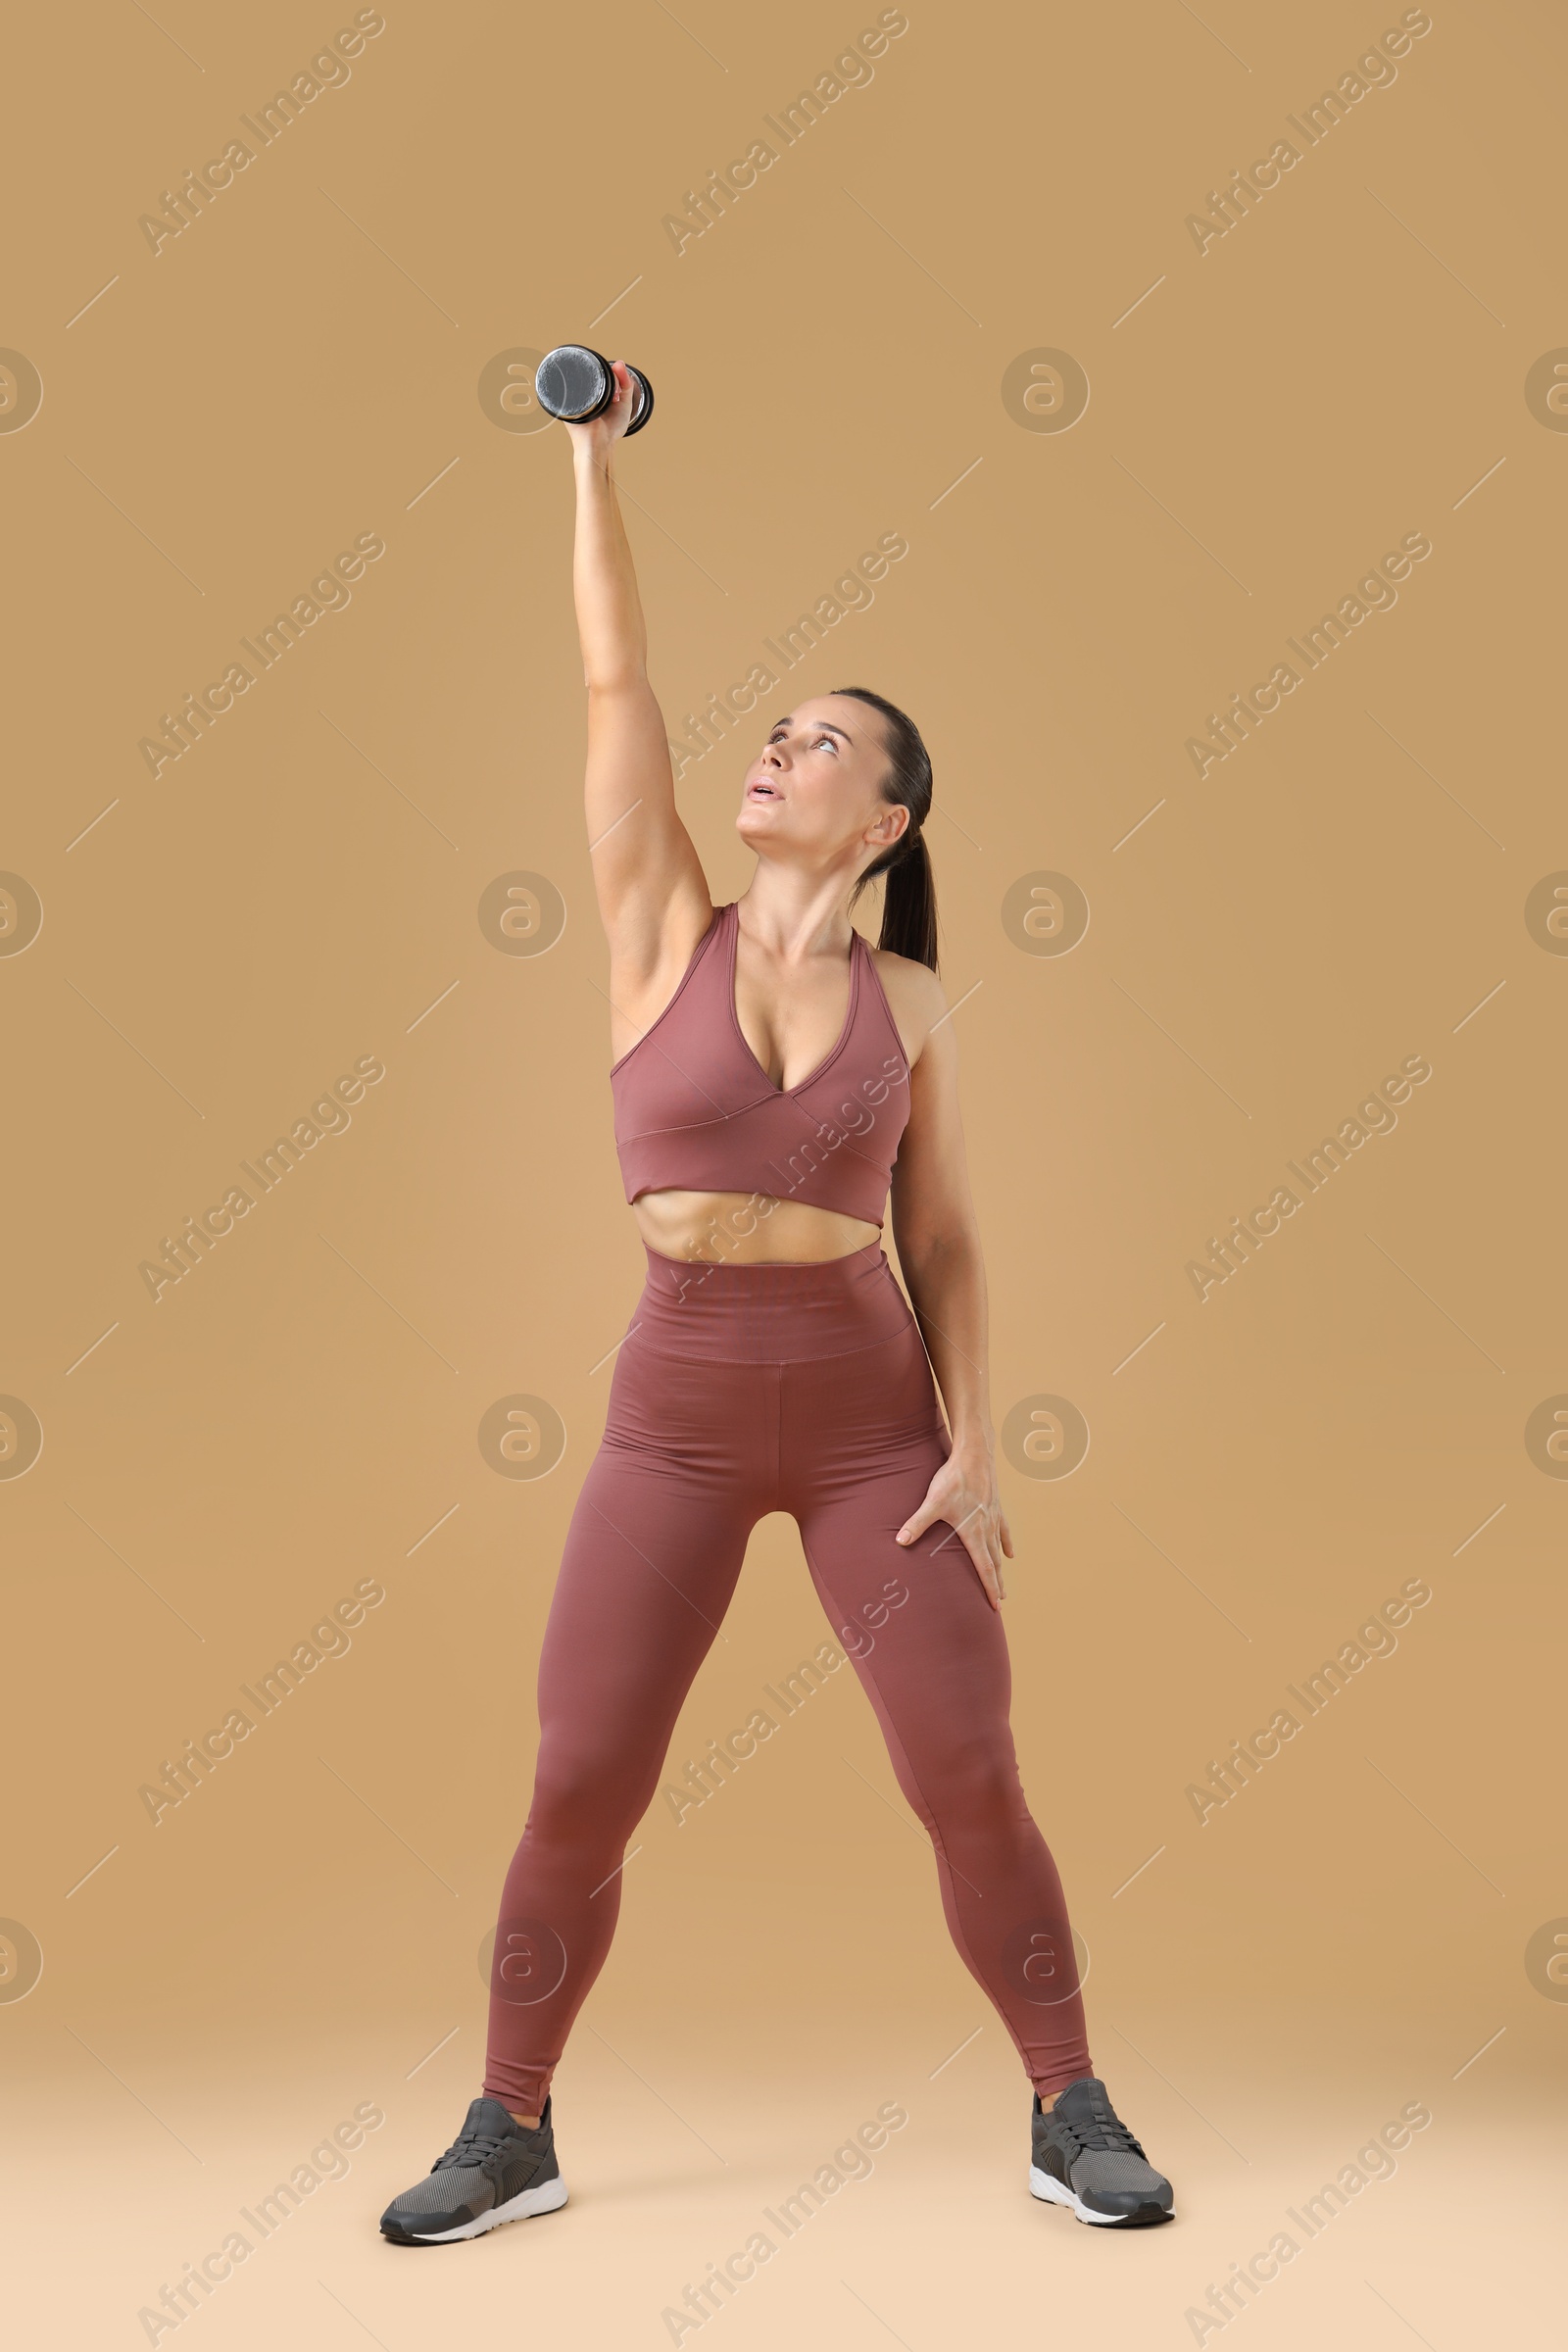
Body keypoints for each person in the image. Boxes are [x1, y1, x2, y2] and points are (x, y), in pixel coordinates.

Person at [378, 363, 1174, 2245]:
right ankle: (510, 2125)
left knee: (966, 1766)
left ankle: (1072, 2109)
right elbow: (613, 689)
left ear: (887, 822)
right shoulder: (660, 919)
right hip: (675, 1410)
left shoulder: (915, 1012)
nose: (775, 750)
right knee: (582, 1769)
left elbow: (952, 1240)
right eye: (778, 730)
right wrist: (589, 458)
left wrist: (979, 1441)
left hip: (868, 1425)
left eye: (823, 746)